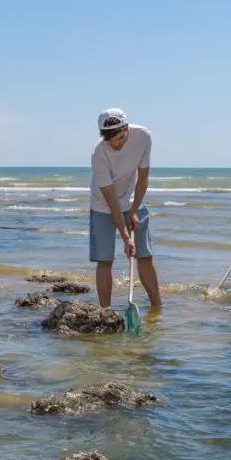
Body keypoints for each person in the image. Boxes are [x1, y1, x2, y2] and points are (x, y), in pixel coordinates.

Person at [89, 108, 162, 309]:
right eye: (110, 140)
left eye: (120, 138)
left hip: (132, 200)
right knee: (105, 260)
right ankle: (106, 311)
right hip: (103, 205)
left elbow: (143, 178)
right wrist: (126, 238)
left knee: (144, 255)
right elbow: (112, 201)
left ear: (126, 128)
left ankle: (157, 307)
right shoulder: (98, 152)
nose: (116, 144)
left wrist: (134, 210)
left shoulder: (143, 136)